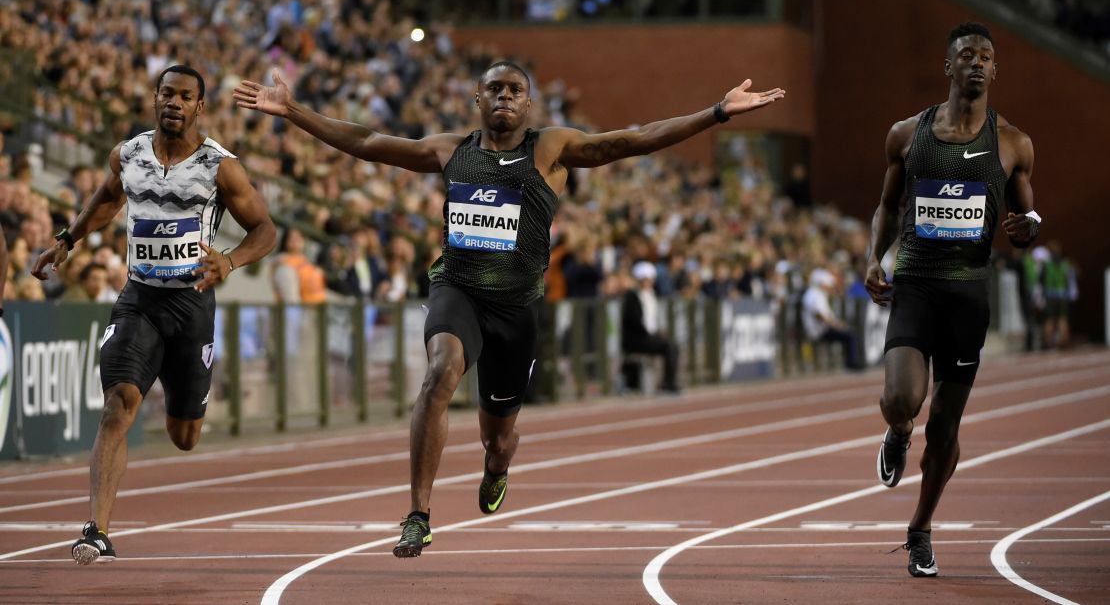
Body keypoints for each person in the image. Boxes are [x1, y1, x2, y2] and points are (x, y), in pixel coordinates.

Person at [234, 61, 784, 558]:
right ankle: (419, 515)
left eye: (514, 90)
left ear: (529, 103)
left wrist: (715, 113)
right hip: (458, 289)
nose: (503, 96)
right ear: (477, 97)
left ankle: (496, 468)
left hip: (516, 310)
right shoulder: (452, 150)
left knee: (498, 437)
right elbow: (369, 141)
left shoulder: (552, 149)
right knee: (439, 372)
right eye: (493, 88)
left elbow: (634, 139)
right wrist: (295, 112)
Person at [32, 65, 277, 565]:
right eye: (167, 93)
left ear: (199, 107)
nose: (174, 102)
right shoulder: (129, 154)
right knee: (117, 406)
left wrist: (229, 260)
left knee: (184, 436)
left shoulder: (220, 166)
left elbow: (266, 231)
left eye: (185, 96)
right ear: (155, 98)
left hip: (191, 306)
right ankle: (96, 528)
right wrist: (67, 240)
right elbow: (106, 199)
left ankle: (180, 392)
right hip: (139, 298)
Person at [863, 23, 1038, 578]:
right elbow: (887, 207)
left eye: (987, 56)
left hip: (968, 296)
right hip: (915, 282)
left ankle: (920, 529)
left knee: (945, 430)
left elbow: (1029, 217)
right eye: (967, 55)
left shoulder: (1012, 143)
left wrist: (1026, 228)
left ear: (995, 69)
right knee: (901, 398)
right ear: (949, 66)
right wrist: (874, 258)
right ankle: (896, 431)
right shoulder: (907, 135)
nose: (978, 64)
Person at [621, 260, 680, 393]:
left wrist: (657, 332)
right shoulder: (631, 296)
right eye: (646, 279)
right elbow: (636, 322)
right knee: (669, 346)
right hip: (637, 339)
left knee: (672, 345)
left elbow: (652, 319)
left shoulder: (652, 295)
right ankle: (668, 383)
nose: (649, 282)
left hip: (649, 337)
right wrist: (651, 335)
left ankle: (668, 382)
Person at [801, 268, 858, 369]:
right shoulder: (813, 295)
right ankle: (852, 363)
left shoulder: (819, 294)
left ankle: (851, 362)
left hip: (823, 328)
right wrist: (837, 325)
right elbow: (820, 316)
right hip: (819, 331)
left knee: (848, 333)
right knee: (849, 335)